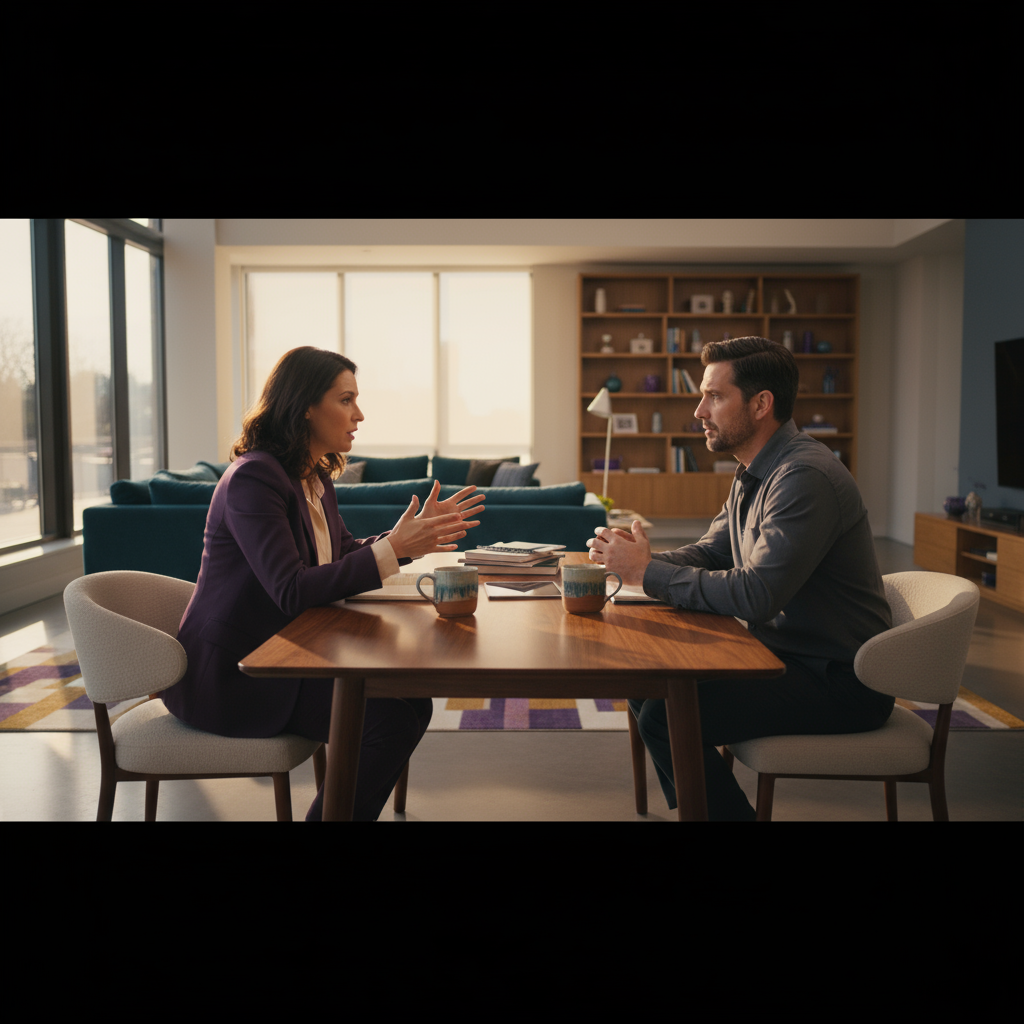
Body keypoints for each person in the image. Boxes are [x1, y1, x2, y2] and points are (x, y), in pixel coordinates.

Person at [163, 346, 485, 821]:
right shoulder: (255, 478)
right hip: (238, 674)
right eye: (346, 399)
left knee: (413, 703)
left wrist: (406, 541)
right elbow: (291, 589)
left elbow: (340, 553)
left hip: (287, 652)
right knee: (388, 721)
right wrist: (393, 549)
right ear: (306, 406)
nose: (359, 414)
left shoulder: (311, 477)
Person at [587, 336, 893, 820]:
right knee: (648, 682)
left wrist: (647, 574)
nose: (698, 411)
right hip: (786, 657)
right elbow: (713, 550)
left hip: (839, 680)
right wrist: (640, 560)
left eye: (713, 396)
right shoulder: (756, 470)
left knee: (667, 716)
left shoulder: (803, 477)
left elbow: (756, 595)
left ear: (760, 404)